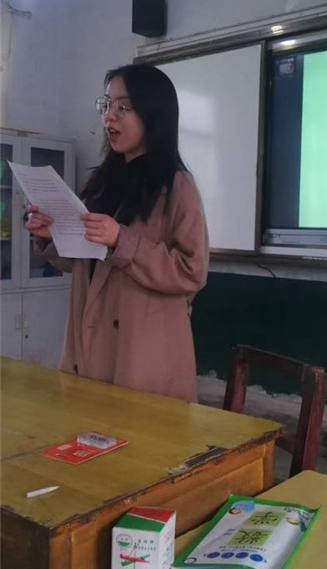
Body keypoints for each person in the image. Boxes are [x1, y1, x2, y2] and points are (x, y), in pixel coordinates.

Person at [25, 64, 209, 402]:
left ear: (153, 114)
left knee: (136, 430)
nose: (109, 116)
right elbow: (86, 262)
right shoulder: (103, 181)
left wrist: (122, 241)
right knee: (86, 425)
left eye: (123, 107)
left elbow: (191, 271)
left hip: (141, 352)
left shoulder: (177, 185)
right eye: (107, 104)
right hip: (89, 338)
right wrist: (52, 235)